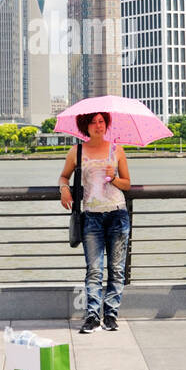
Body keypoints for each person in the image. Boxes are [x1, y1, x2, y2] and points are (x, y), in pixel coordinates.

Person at [57, 111, 132, 334]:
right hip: (91, 217)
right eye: (93, 122)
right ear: (85, 126)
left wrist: (114, 177)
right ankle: (92, 315)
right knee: (94, 270)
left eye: (101, 121)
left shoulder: (116, 149)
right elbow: (64, 176)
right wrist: (64, 189)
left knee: (116, 269)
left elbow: (127, 184)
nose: (98, 125)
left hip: (117, 215)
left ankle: (110, 315)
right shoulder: (76, 151)